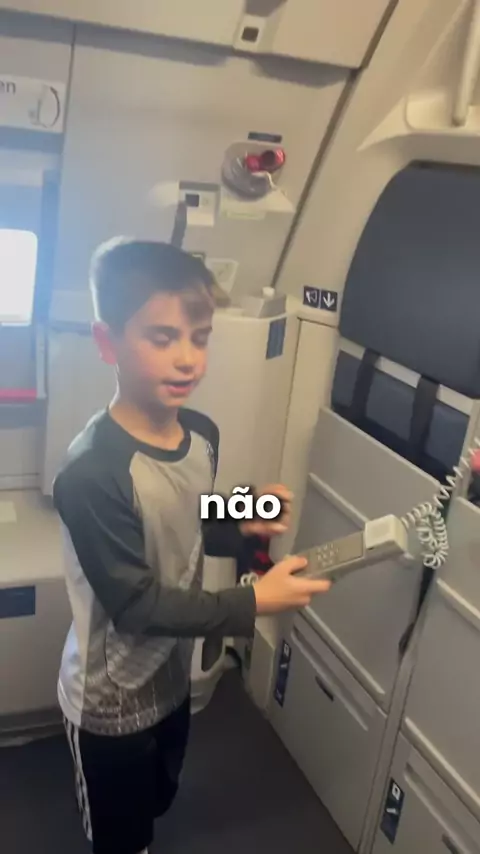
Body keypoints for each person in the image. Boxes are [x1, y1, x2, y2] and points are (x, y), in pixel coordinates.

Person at [53, 238, 331, 854]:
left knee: (158, 799)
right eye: (162, 338)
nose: (186, 359)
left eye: (199, 338)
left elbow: (189, 515)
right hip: (110, 706)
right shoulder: (91, 474)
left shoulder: (201, 435)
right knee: (120, 837)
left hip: (171, 678)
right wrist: (252, 602)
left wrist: (245, 514)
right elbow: (137, 605)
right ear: (107, 344)